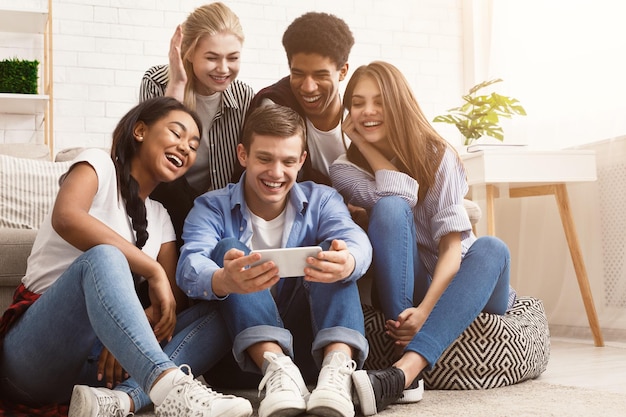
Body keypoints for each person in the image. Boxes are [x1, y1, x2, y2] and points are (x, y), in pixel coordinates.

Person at [0, 97, 253, 417]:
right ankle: (170, 389)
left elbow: (168, 311)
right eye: (176, 133)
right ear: (140, 130)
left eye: (193, 144)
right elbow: (66, 217)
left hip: (101, 371)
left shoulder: (160, 217)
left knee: (222, 312)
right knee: (104, 256)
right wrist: (153, 271)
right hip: (37, 355)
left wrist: (122, 334)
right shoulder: (98, 164)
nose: (186, 148)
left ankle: (120, 401)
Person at [329, 61, 515, 415]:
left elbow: (452, 246)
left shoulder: (438, 154)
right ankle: (405, 371)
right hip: (406, 288)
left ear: (398, 102)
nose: (368, 111)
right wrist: (363, 145)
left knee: (492, 247)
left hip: (464, 282)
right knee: (390, 208)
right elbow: (399, 195)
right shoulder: (344, 169)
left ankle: (404, 370)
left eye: (379, 101)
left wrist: (426, 310)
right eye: (357, 102)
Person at [177, 104, 372, 417]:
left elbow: (355, 239)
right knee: (230, 249)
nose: (276, 172)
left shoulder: (322, 199)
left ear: (302, 162)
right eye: (265, 159)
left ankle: (339, 375)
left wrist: (348, 260)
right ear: (243, 155)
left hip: (311, 351)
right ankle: (277, 369)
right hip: (244, 361)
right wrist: (223, 280)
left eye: (288, 161)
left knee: (333, 252)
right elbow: (190, 264)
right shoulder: (212, 206)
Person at [140, 2, 254, 249]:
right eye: (212, 58)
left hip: (217, 209)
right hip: (166, 198)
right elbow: (154, 156)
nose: (223, 69)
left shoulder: (243, 96)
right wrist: (177, 88)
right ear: (189, 53)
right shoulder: (156, 82)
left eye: (232, 58)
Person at [241, 11, 354, 186]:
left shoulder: (360, 115)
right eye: (298, 74)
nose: (308, 87)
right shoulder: (276, 104)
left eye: (321, 75)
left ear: (343, 72)